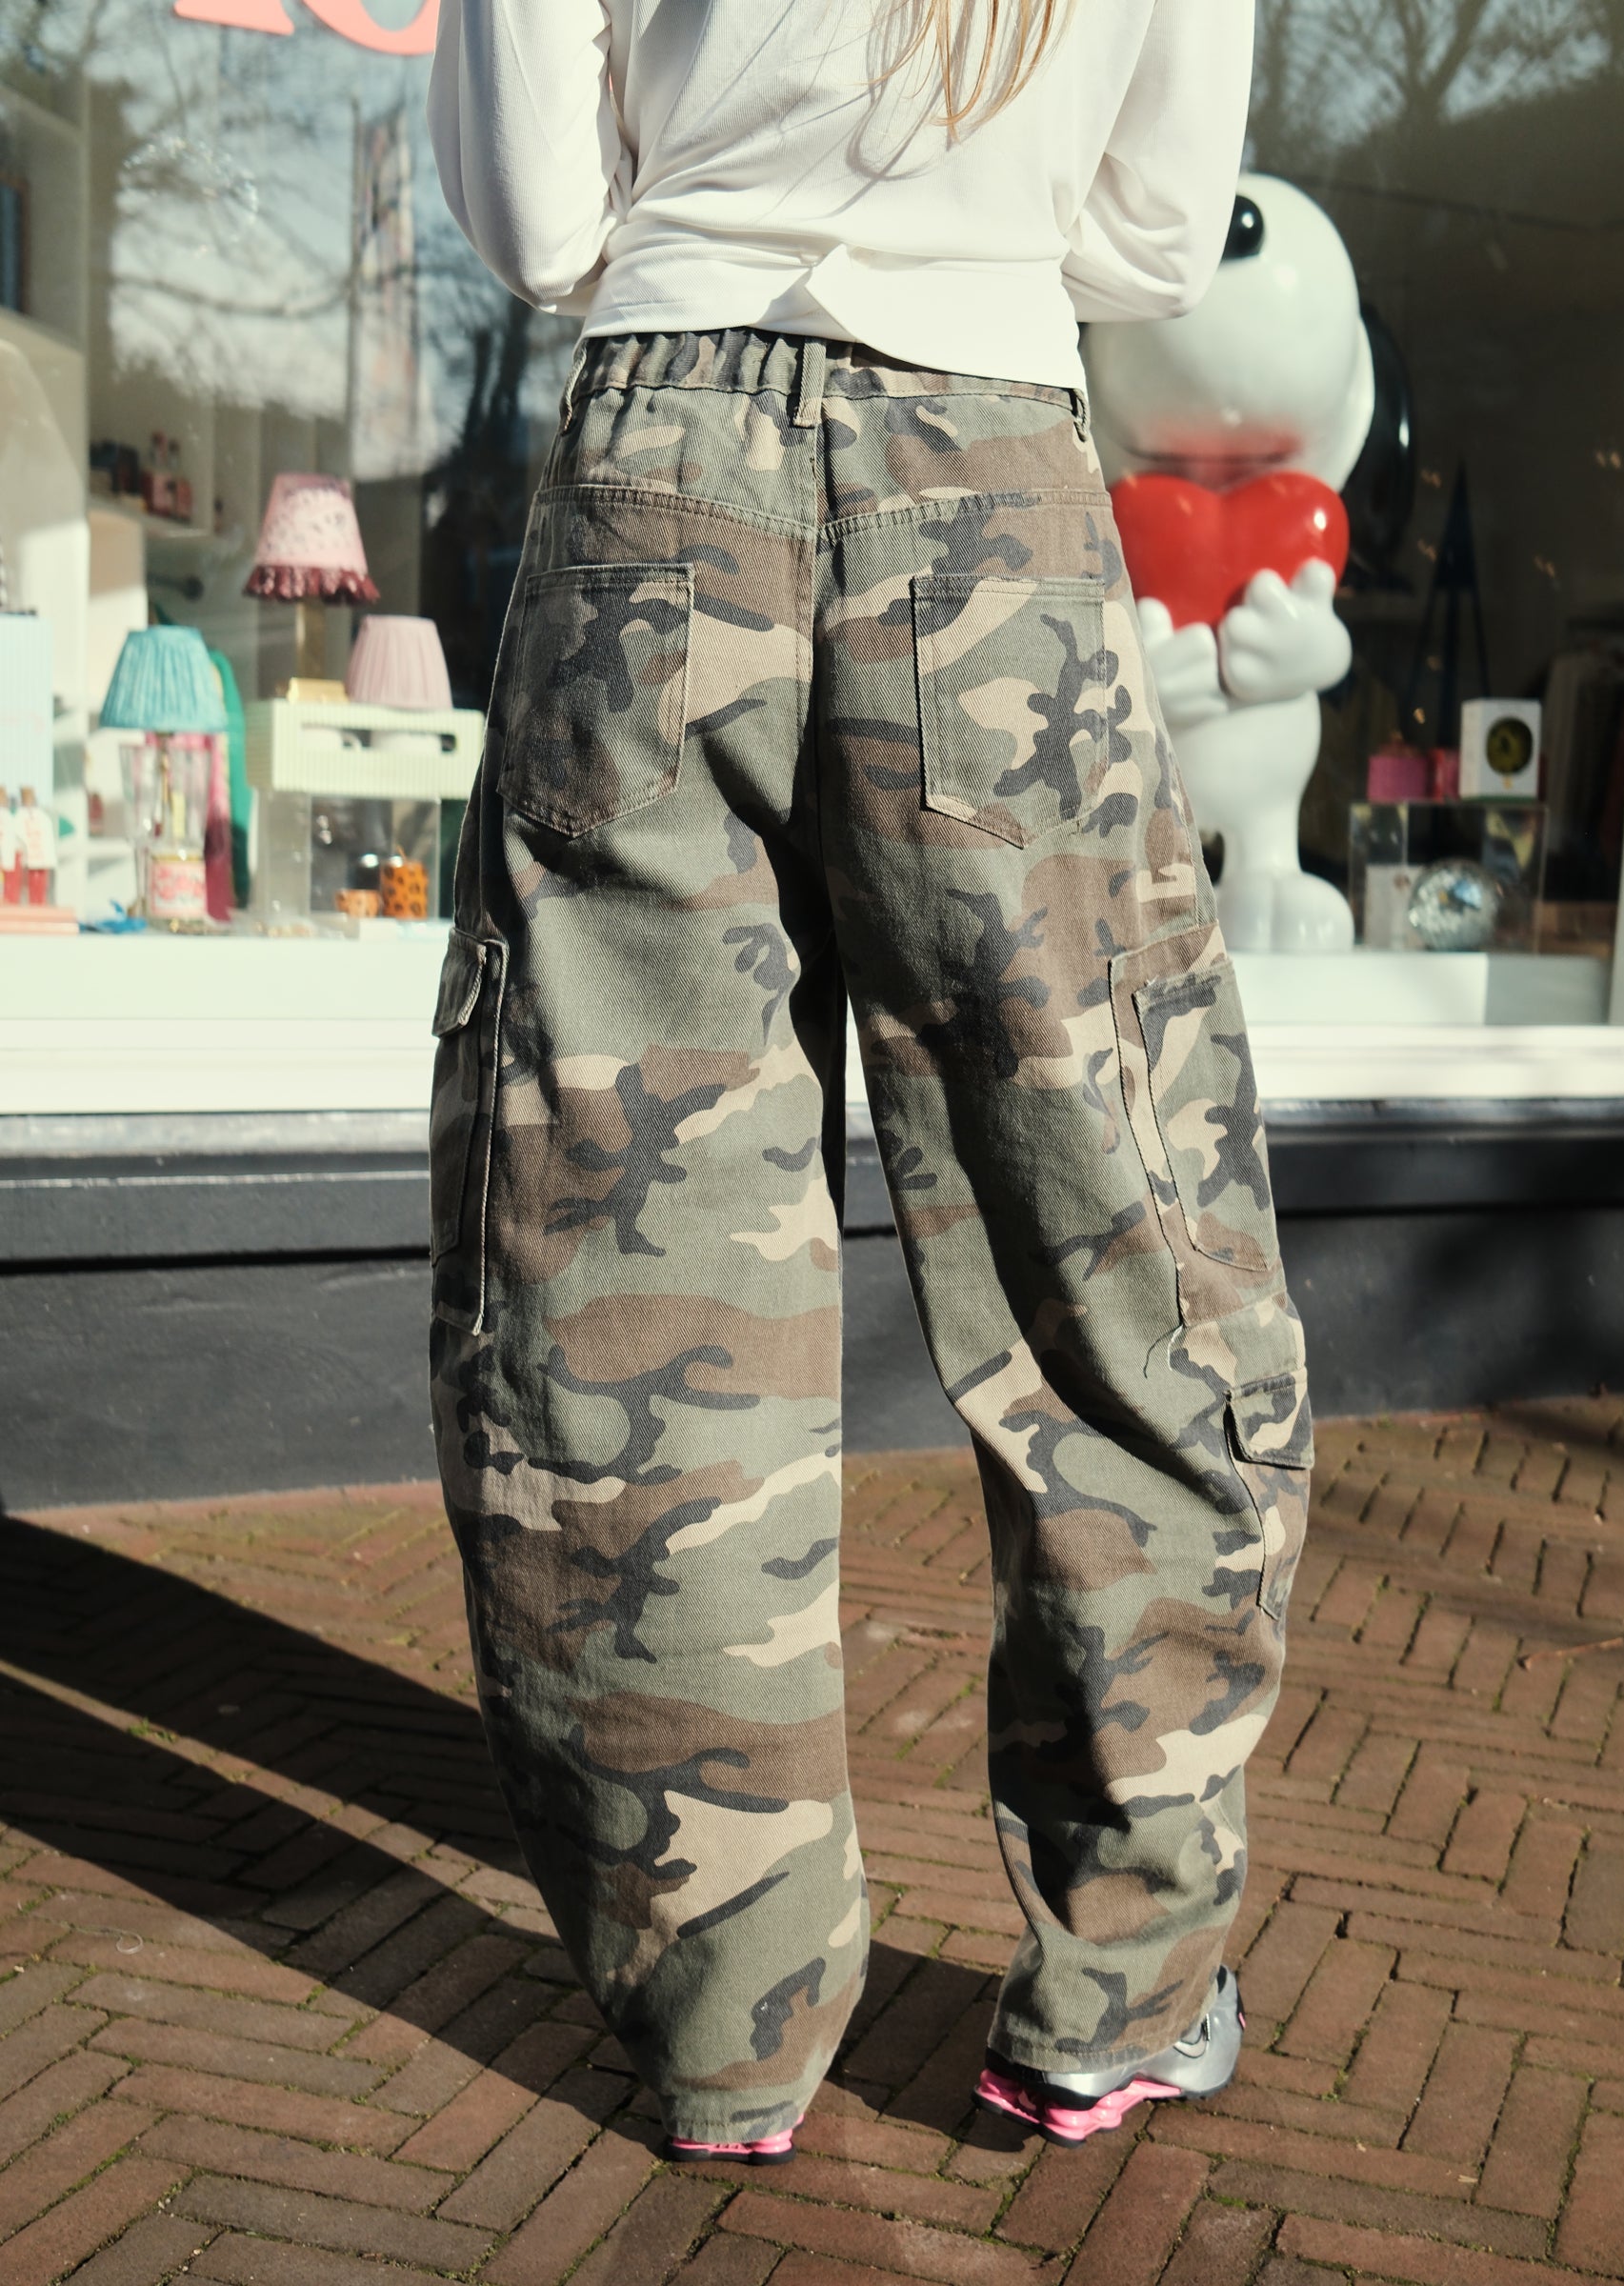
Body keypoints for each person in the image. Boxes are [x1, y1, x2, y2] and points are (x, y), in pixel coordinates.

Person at [426, 0, 1311, 2164]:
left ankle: (721, 2025)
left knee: (628, 1268)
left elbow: (541, 220)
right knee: (1121, 1241)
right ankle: (1120, 1987)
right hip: (994, 479)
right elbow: (1153, 239)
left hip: (659, 476)